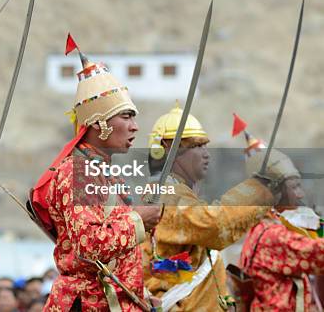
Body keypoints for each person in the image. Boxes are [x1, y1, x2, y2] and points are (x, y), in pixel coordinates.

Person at [29, 35, 161, 311]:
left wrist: (137, 294)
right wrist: (139, 220)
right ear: (99, 123)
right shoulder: (78, 173)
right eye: (126, 116)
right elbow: (89, 246)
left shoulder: (101, 171)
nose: (135, 126)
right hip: (87, 303)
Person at [141, 106, 283, 311]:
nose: (206, 154)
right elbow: (215, 225)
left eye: (206, 146)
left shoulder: (178, 192)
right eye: (197, 146)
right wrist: (260, 189)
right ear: (169, 149)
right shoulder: (165, 194)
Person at [239, 132, 324, 311]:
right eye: (294, 187)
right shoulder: (273, 236)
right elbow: (319, 254)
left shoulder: (261, 226)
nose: (300, 194)